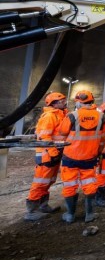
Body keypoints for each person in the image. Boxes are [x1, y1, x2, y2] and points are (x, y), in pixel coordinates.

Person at [58, 90, 105, 223]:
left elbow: (62, 133)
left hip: (70, 157)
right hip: (90, 157)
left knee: (69, 185)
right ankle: (89, 215)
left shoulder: (72, 116)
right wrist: (98, 152)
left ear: (79, 102)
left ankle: (70, 215)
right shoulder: (101, 117)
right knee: (89, 185)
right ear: (92, 102)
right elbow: (103, 138)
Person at [24, 92, 68, 221]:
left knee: (49, 181)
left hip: (54, 153)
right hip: (47, 155)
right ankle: (31, 211)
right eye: (61, 101)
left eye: (64, 100)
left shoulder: (60, 115)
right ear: (54, 103)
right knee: (40, 182)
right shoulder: (50, 116)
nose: (64, 102)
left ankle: (43, 206)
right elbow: (44, 137)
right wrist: (53, 153)